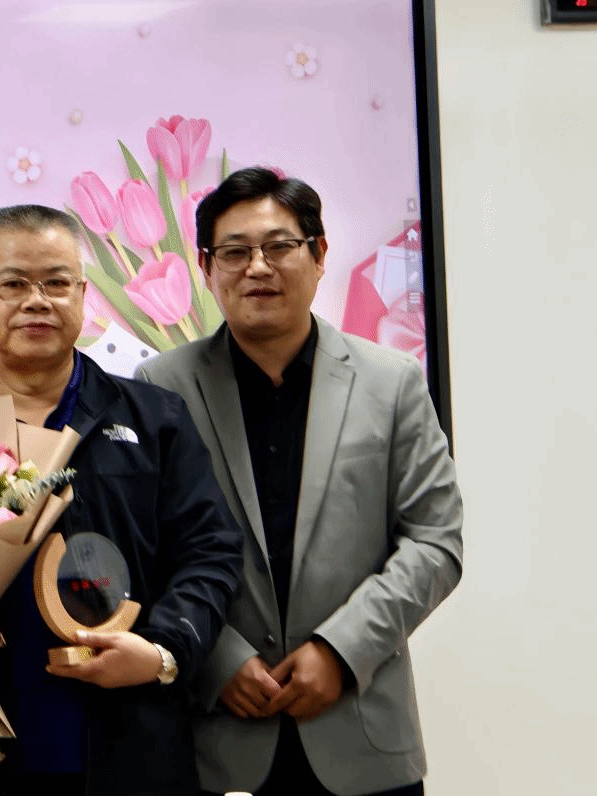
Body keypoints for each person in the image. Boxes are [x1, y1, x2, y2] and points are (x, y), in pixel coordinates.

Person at [136, 167, 464, 796]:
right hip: (215, 739)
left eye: (280, 246)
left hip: (361, 731)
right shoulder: (159, 389)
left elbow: (434, 542)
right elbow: (145, 550)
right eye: (234, 252)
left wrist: (341, 650)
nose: (257, 267)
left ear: (319, 255)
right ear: (205, 267)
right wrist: (215, 657)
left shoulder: (392, 382)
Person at [0, 205, 243, 796]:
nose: (37, 301)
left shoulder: (155, 418)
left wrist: (161, 648)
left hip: (133, 743)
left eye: (57, 282)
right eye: (12, 284)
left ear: (83, 295)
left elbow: (211, 551)